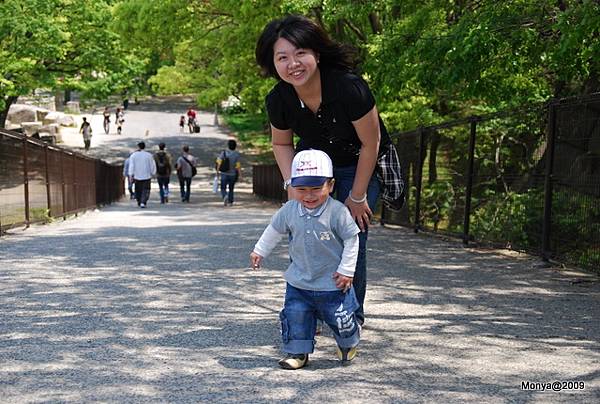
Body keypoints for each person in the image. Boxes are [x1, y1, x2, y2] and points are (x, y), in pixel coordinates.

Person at [255, 15, 393, 327]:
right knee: (305, 235)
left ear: (316, 53)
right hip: (311, 169)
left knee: (350, 236)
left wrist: (357, 197)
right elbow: (281, 144)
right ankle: (308, 311)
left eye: (300, 53)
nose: (293, 64)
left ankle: (349, 316)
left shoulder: (349, 87)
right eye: (282, 57)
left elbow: (371, 143)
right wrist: (292, 183)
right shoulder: (279, 99)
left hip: (356, 164)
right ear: (272, 63)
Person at [250, 150, 361, 370]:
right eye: (301, 189)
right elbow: (274, 230)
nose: (309, 195)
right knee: (295, 316)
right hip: (299, 281)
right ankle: (297, 352)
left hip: (333, 283)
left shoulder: (337, 212)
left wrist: (347, 270)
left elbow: (352, 239)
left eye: (316, 189)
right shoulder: (290, 210)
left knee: (341, 320)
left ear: (330, 185)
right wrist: (259, 250)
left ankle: (349, 340)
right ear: (291, 187)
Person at [128, 141, 156, 208]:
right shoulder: (149, 155)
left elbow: (131, 165)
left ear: (138, 147)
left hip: (137, 175)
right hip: (146, 175)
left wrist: (130, 174)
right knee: (146, 189)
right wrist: (153, 172)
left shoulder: (133, 155)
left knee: (138, 189)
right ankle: (143, 201)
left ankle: (139, 200)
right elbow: (152, 165)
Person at [215, 139, 241, 206]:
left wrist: (217, 171)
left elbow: (219, 162)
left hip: (224, 173)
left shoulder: (224, 153)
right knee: (231, 188)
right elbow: (238, 166)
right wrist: (240, 174)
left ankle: (225, 196)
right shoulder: (236, 154)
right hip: (233, 174)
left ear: (228, 145)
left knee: (223, 187)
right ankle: (230, 201)